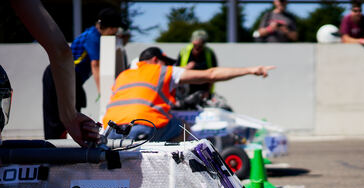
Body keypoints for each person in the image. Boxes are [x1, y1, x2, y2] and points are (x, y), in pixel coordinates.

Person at [102, 47, 274, 141]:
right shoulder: (162, 71)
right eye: (164, 62)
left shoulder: (123, 76)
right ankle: (186, 176)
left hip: (110, 131)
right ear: (155, 60)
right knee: (184, 128)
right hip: (142, 128)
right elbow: (211, 75)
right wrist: (251, 70)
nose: (167, 65)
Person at [7, 0, 100, 147]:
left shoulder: (89, 34)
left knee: (53, 131)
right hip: (64, 73)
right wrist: (69, 116)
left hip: (60, 73)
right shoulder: (94, 37)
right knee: (57, 133)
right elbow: (62, 52)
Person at [43, 7, 122, 141]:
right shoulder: (94, 37)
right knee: (58, 119)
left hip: (66, 76)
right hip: (61, 75)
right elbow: (95, 64)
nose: (116, 32)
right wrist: (102, 92)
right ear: (109, 27)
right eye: (115, 29)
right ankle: (55, 153)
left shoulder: (91, 34)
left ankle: (62, 150)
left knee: (68, 115)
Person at [176, 30, 218, 98]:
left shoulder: (209, 53)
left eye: (199, 47)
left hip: (203, 93)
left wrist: (208, 91)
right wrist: (186, 67)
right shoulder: (184, 52)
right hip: (185, 92)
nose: (197, 49)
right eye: (195, 46)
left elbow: (214, 74)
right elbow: (175, 71)